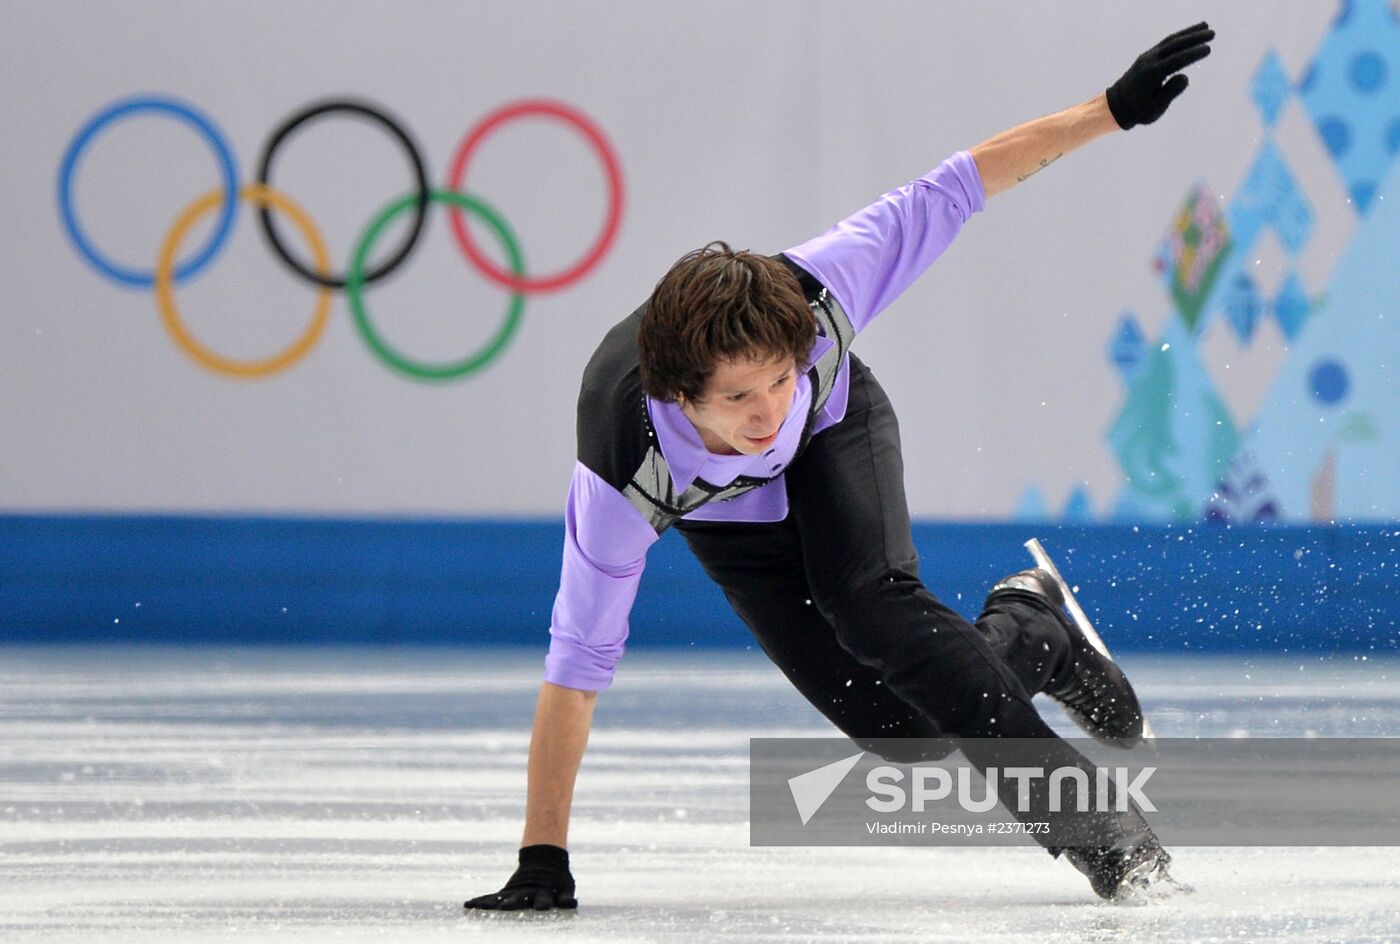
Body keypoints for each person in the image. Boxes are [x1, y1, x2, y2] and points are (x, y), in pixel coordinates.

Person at [464, 22, 1215, 911]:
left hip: (840, 432)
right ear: (679, 395)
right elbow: (576, 667)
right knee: (902, 733)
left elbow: (960, 185)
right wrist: (543, 857)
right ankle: (1032, 627)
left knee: (872, 606)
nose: (767, 411)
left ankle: (1109, 844)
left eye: (779, 379)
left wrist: (1113, 110)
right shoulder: (626, 477)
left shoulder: (818, 295)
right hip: (724, 519)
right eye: (739, 398)